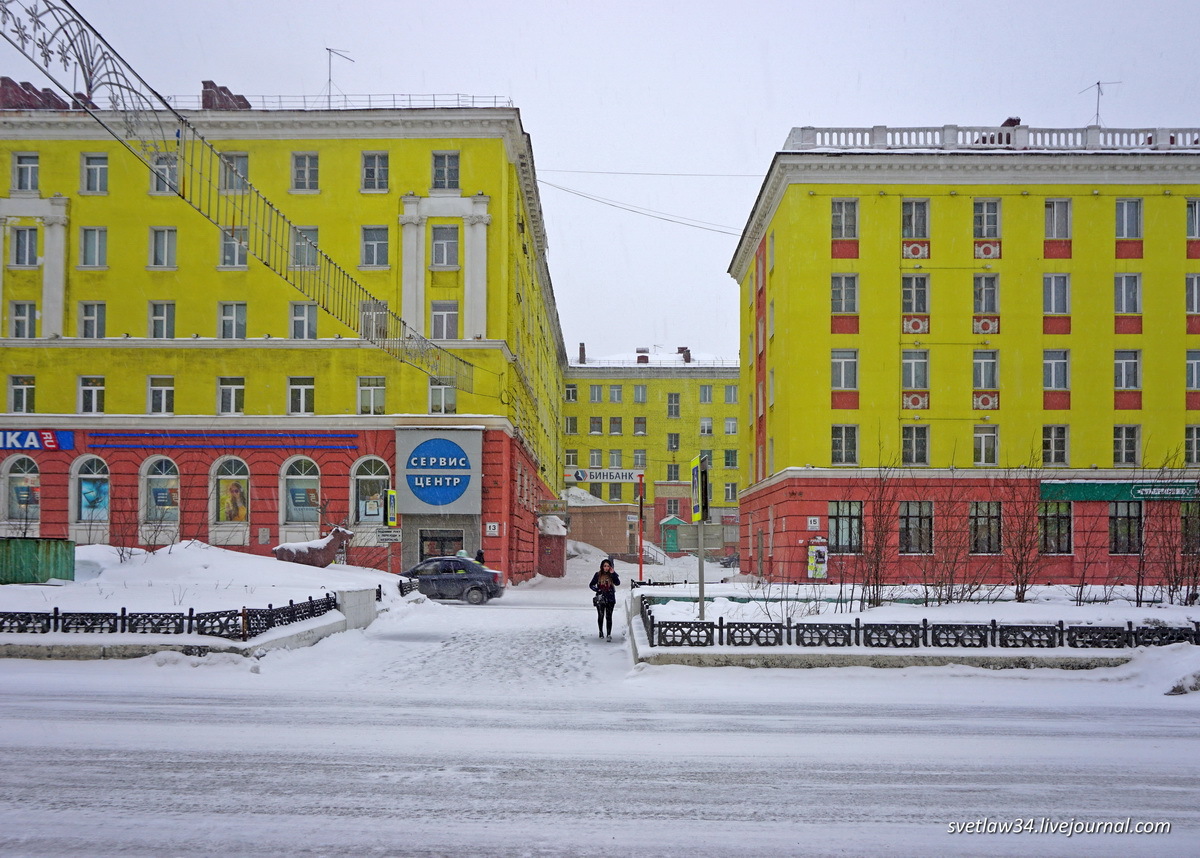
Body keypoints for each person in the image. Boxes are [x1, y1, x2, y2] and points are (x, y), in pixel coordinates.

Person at [589, 558, 621, 641]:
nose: (606, 568)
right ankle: (600, 631)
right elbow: (591, 584)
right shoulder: (598, 575)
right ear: (602, 567)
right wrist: (597, 590)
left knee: (609, 616)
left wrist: (613, 574)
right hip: (601, 598)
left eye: (608, 566)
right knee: (601, 615)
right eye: (604, 566)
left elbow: (617, 583)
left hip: (610, 598)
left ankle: (609, 634)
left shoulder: (612, 574)